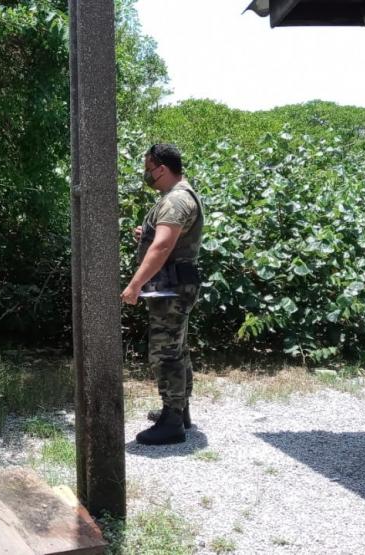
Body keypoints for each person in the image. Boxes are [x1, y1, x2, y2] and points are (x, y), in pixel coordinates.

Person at [121, 144, 203, 446]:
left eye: (149, 169)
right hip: (177, 284)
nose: (147, 175)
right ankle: (179, 412)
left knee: (164, 353)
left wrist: (135, 285)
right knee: (177, 348)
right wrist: (148, 234)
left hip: (171, 287)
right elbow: (166, 238)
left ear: (162, 169)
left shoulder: (175, 200)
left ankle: (172, 423)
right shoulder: (179, 197)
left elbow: (163, 247)